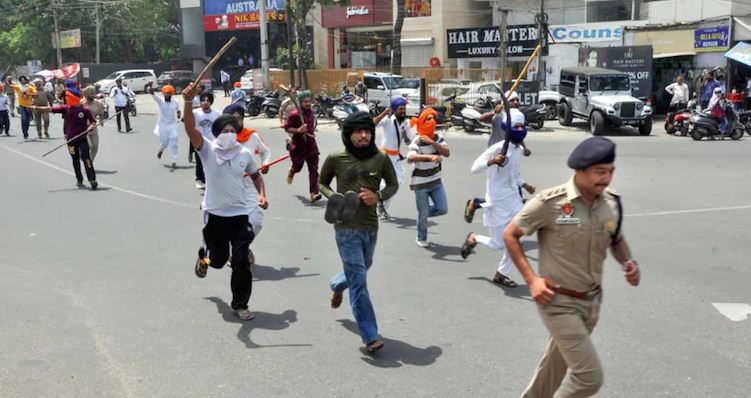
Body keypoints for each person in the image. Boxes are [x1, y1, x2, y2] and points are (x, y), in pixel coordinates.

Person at [502, 136, 640, 398]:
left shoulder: (610, 204)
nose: (607, 179)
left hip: (591, 303)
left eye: (610, 172)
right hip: (558, 302)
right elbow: (510, 234)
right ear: (580, 171)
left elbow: (616, 239)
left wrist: (628, 262)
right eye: (600, 172)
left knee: (553, 368)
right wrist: (532, 280)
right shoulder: (550, 203)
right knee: (589, 378)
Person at [182, 83, 268, 321]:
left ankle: (241, 304)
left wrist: (261, 194)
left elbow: (256, 175)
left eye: (233, 129)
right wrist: (188, 102)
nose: (229, 133)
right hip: (215, 214)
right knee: (218, 261)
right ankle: (204, 257)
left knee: (240, 261)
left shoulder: (244, 154)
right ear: (217, 133)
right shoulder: (207, 150)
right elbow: (190, 130)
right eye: (225, 130)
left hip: (240, 215)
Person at [319, 111, 398, 353]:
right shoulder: (336, 158)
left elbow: (393, 184)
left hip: (370, 226)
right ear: (348, 134)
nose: (364, 135)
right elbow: (321, 183)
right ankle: (370, 335)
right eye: (358, 131)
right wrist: (334, 198)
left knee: (363, 268)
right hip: (345, 228)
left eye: (367, 131)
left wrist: (378, 196)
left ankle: (336, 284)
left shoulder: (381, 158)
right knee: (360, 283)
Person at [460, 109, 535, 287]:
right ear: (509, 128)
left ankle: (501, 273)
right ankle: (474, 238)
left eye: (522, 126)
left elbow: (514, 175)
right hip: (497, 201)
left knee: (516, 239)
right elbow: (474, 168)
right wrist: (492, 161)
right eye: (516, 126)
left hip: (513, 201)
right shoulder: (496, 148)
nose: (520, 129)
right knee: (498, 245)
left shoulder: (517, 149)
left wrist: (525, 185)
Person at [224, 103, 271, 264]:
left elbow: (265, 151)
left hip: (250, 184)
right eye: (232, 119)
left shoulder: (252, 136)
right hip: (228, 188)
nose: (236, 122)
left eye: (239, 118)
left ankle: (242, 246)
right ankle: (238, 249)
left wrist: (265, 163)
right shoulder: (220, 139)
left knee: (256, 220)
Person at [34, 88, 98, 190]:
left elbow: (93, 122)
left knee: (86, 157)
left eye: (69, 97)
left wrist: (91, 127)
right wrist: (35, 107)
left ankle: (92, 179)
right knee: (75, 159)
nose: (67, 99)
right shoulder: (66, 108)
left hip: (82, 138)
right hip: (70, 140)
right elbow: (50, 109)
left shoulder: (85, 110)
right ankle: (79, 178)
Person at [407, 108, 450, 248]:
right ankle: (421, 236)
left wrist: (432, 143)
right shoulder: (417, 141)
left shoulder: (437, 138)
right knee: (424, 213)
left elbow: (447, 153)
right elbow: (410, 157)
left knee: (442, 208)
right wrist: (430, 157)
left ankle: (422, 216)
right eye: (428, 119)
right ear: (421, 122)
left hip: (436, 181)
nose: (431, 121)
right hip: (420, 184)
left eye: (433, 118)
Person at [372, 96, 415, 218]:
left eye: (404, 109)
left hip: (395, 157)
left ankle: (380, 205)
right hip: (384, 156)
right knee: (386, 184)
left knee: (397, 184)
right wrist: (384, 112)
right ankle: (379, 206)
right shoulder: (387, 120)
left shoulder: (406, 123)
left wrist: (405, 136)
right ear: (395, 109)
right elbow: (372, 123)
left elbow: (410, 142)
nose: (403, 111)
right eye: (400, 109)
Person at [284, 90, 322, 203]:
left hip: (311, 144)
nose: (307, 103)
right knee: (298, 167)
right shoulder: (294, 114)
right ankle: (292, 170)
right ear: (300, 102)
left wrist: (311, 132)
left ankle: (313, 193)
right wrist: (298, 130)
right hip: (298, 146)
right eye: (305, 101)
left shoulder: (311, 112)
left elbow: (312, 125)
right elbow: (287, 128)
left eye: (309, 101)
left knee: (314, 170)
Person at [192, 90, 221, 189]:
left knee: (212, 161)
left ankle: (211, 179)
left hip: (212, 142)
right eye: (203, 100)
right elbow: (186, 120)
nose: (205, 102)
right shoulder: (195, 113)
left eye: (207, 100)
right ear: (200, 102)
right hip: (199, 141)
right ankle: (199, 179)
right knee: (199, 162)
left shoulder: (216, 113)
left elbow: (220, 126)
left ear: (211, 102)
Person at [149, 83, 181, 168]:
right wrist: (150, 87)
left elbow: (178, 110)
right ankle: (161, 149)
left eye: (169, 94)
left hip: (172, 124)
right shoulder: (160, 101)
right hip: (162, 125)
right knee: (164, 142)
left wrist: (178, 114)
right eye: (166, 94)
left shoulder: (175, 102)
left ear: (171, 94)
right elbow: (152, 93)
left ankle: (174, 160)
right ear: (163, 94)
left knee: (174, 141)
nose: (167, 95)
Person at [82, 85, 105, 161]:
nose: (93, 95)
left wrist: (101, 120)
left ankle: (90, 162)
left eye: (94, 93)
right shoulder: (81, 104)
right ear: (86, 94)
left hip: (94, 128)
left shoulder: (98, 103)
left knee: (95, 147)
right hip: (83, 129)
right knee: (89, 146)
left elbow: (101, 113)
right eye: (91, 93)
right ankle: (81, 154)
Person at [11, 76, 36, 140]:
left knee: (27, 120)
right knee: (23, 119)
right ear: (20, 81)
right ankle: (24, 132)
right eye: (21, 80)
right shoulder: (18, 87)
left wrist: (28, 94)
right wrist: (8, 80)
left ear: (25, 80)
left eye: (24, 80)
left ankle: (26, 130)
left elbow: (35, 93)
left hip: (28, 106)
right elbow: (11, 85)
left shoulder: (30, 87)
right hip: (21, 106)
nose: (23, 81)